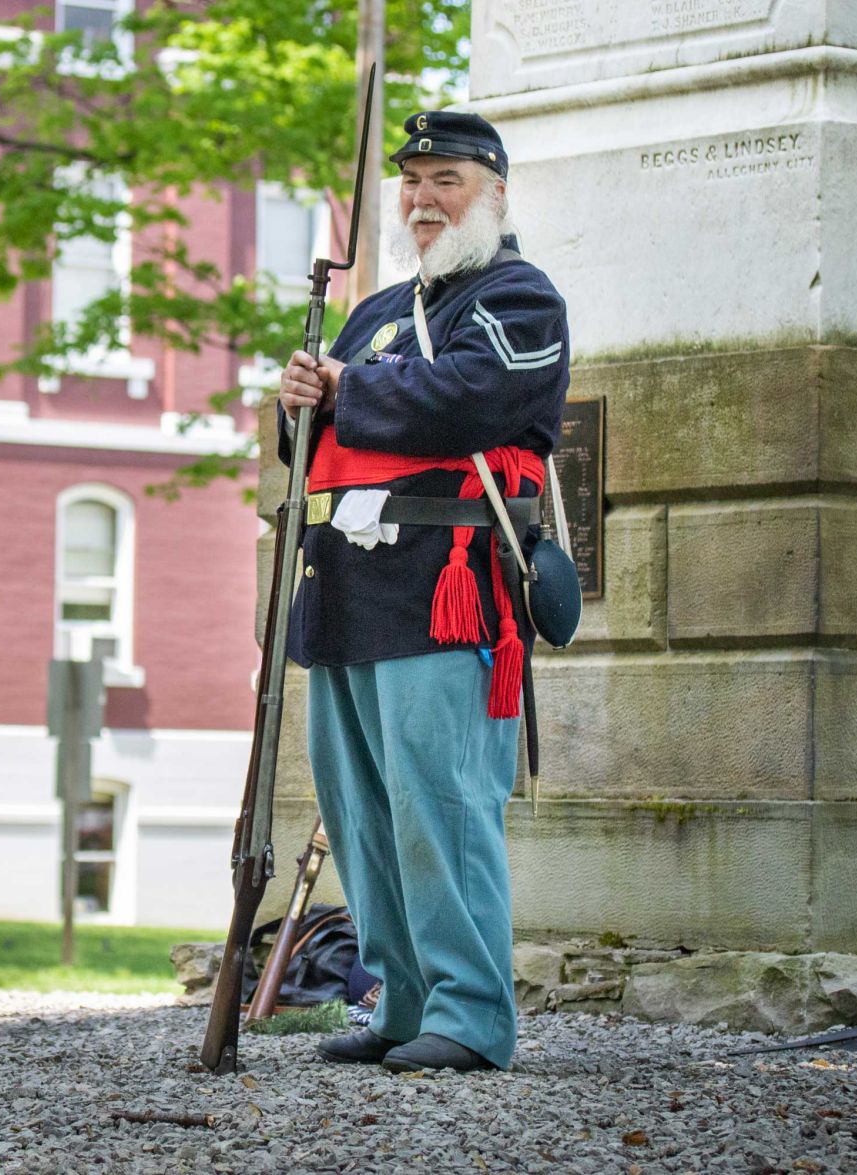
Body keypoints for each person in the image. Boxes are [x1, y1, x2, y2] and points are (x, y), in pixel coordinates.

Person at [276, 111, 570, 1074]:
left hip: (445, 593)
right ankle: (402, 1001)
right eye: (411, 182)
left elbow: (474, 399)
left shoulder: (520, 299)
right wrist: (298, 406)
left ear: (492, 190)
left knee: (439, 810)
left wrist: (347, 390)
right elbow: (320, 446)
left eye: (444, 178)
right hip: (349, 590)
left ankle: (473, 1012)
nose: (422, 199)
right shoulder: (373, 311)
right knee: (362, 814)